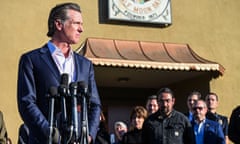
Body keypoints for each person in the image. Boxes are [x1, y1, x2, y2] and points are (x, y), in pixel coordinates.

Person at [17, 2, 101, 144]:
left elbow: (94, 104)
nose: (81, 29)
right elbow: (27, 103)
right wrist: (50, 133)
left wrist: (88, 136)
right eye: (76, 23)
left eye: (82, 24)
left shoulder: (85, 65)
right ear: (58, 24)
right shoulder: (32, 60)